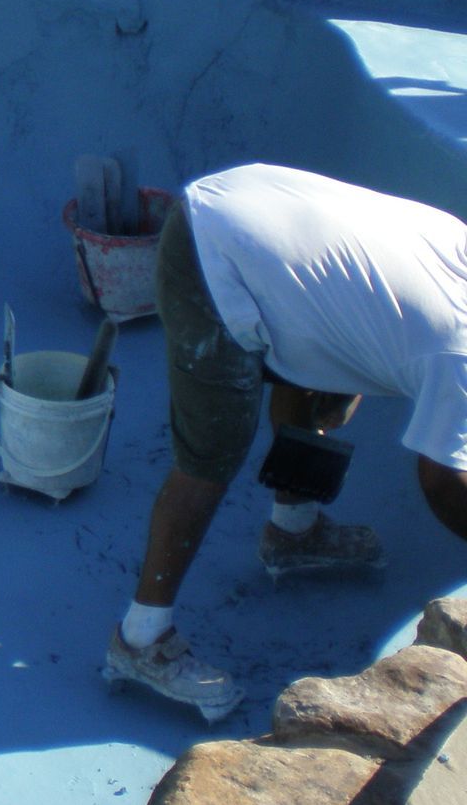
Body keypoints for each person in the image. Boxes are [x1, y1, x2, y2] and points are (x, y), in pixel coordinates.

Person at [103, 165, 467, 721]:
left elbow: (364, 303)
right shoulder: (456, 353)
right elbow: (443, 480)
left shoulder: (455, 251)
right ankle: (139, 640)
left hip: (266, 214)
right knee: (211, 453)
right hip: (214, 251)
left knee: (321, 392)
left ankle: (293, 532)